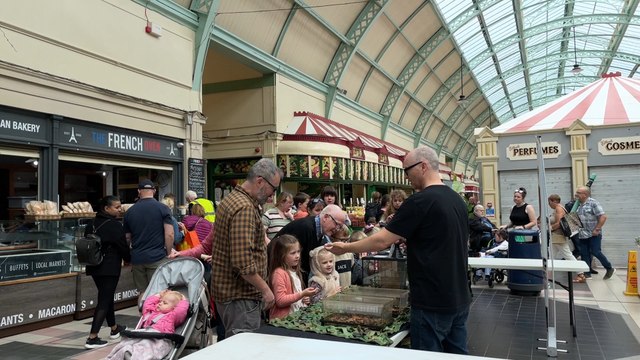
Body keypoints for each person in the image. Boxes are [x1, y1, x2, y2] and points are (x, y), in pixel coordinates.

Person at [326, 146, 470, 354]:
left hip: (431, 300)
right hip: (459, 296)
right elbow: (444, 239)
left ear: (423, 166)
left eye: (407, 170)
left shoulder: (420, 201)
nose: (406, 177)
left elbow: (381, 242)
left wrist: (346, 247)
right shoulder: (457, 200)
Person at [211, 158, 282, 338]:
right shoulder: (244, 207)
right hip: (240, 297)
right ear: (260, 182)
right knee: (243, 350)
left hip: (230, 295)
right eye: (273, 189)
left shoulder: (232, 199)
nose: (272, 196)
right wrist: (266, 290)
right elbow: (243, 263)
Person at [84, 196, 130, 349]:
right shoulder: (115, 225)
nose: (120, 209)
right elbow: (123, 246)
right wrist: (128, 259)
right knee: (104, 300)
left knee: (107, 297)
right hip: (109, 267)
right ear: (106, 208)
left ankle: (114, 329)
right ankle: (92, 337)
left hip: (94, 266)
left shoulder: (91, 224)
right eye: (116, 207)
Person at [124, 179, 174, 297]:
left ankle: (143, 315)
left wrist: (130, 254)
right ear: (154, 191)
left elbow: (127, 238)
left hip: (137, 258)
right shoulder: (163, 208)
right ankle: (154, 316)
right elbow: (170, 234)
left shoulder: (129, 211)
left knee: (142, 292)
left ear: (138, 191)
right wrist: (168, 251)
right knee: (158, 293)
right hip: (157, 256)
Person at [275, 204, 348, 284]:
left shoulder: (317, 230)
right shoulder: (305, 228)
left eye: (340, 226)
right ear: (326, 217)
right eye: (336, 224)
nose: (337, 229)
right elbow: (299, 262)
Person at [106, 290, 189, 360]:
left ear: (174, 308)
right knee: (125, 344)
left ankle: (136, 356)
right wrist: (158, 295)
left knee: (145, 347)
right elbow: (147, 303)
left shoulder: (171, 316)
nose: (160, 303)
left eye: (164, 303)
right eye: (160, 301)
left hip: (159, 339)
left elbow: (181, 311)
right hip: (144, 334)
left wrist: (183, 300)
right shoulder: (150, 312)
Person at [268, 235, 317, 319]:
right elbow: (280, 300)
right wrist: (302, 294)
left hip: (297, 318)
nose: (297, 256)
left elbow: (295, 296)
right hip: (283, 321)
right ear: (281, 255)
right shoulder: (279, 273)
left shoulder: (294, 271)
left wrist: (304, 299)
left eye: (298, 252)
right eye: (293, 253)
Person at [575, 186, 615, 280]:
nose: (576, 194)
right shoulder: (578, 205)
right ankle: (587, 273)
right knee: (584, 253)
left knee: (595, 251)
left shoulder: (593, 203)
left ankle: (609, 268)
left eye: (578, 193)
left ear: (585, 194)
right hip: (582, 233)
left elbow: (603, 216)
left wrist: (597, 229)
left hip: (594, 233)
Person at [547, 194, 585, 282]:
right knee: (551, 256)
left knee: (568, 255)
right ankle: (547, 275)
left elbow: (560, 223)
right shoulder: (560, 208)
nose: (549, 204)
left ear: (553, 201)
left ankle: (581, 274)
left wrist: (550, 228)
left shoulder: (559, 208)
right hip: (555, 236)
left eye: (549, 202)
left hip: (558, 236)